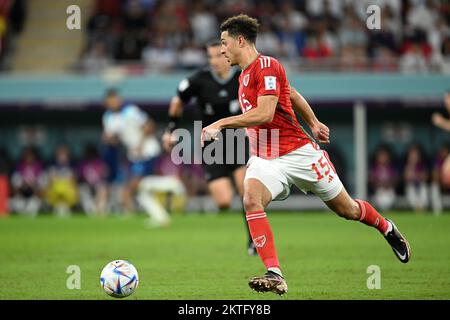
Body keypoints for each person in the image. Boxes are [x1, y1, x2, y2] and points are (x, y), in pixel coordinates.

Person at [201, 14, 411, 295]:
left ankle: (386, 227)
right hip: (266, 158)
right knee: (251, 200)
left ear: (240, 40)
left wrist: (220, 123)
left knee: (347, 210)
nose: (222, 49)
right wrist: (313, 120)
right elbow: (292, 94)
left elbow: (264, 113)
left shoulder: (268, 66)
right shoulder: (244, 75)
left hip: (299, 153)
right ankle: (274, 273)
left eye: (225, 43)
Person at [162, 40, 255, 254]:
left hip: (238, 141)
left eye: (218, 55)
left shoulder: (243, 77)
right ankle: (232, 190)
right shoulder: (198, 80)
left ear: (228, 54)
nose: (214, 60)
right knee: (223, 201)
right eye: (210, 56)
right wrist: (171, 130)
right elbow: (177, 102)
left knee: (246, 193)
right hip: (211, 146)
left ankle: (253, 241)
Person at [102, 89, 186, 227]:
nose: (113, 103)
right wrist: (109, 139)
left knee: (135, 185)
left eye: (115, 100)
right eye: (110, 101)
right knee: (140, 188)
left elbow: (149, 125)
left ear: (119, 99)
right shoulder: (108, 117)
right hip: (134, 155)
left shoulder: (130, 111)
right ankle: (160, 217)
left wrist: (140, 144)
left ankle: (172, 183)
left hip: (147, 151)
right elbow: (115, 138)